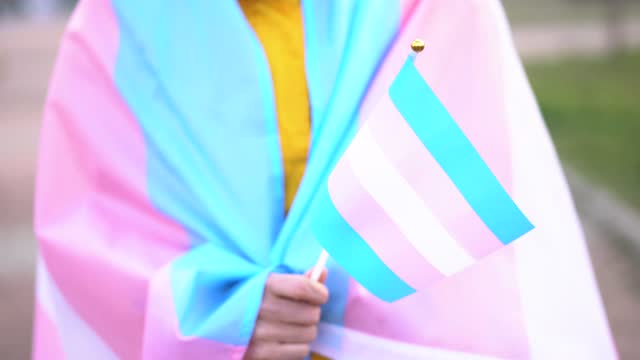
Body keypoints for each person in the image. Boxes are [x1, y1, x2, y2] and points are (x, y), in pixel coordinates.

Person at [32, 0, 616, 359]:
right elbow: (87, 237)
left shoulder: (425, 9)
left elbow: (464, 173)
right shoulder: (115, 25)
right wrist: (218, 319)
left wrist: (321, 288)